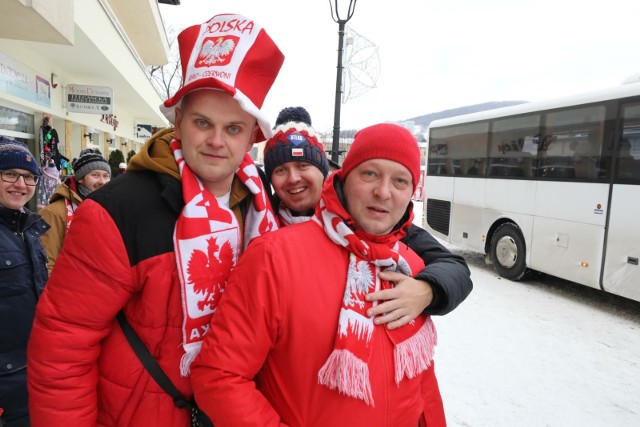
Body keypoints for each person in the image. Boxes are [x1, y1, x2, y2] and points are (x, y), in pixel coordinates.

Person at [27, 13, 284, 426]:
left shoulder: (259, 206)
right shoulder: (117, 210)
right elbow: (62, 348)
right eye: (203, 122)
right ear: (178, 121)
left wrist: (425, 281)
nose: (217, 141)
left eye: (233, 128)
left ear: (253, 135)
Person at [191, 123, 452, 426]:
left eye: (400, 181)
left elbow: (421, 380)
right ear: (343, 178)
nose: (383, 192)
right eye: (370, 174)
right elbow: (219, 375)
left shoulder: (411, 268)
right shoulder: (273, 258)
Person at [265, 107, 473, 323]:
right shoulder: (260, 221)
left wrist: (428, 289)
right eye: (280, 170)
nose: (293, 178)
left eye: (303, 165)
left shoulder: (365, 218)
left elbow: (454, 266)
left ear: (322, 169)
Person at [0, 137, 49, 427]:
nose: (21, 184)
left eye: (29, 177)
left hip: (32, 370)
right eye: (10, 175)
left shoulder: (28, 227)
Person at [38, 149, 111, 274]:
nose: (102, 182)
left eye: (106, 176)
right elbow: (47, 263)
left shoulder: (110, 207)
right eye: (95, 175)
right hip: (68, 287)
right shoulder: (54, 212)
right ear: (80, 179)